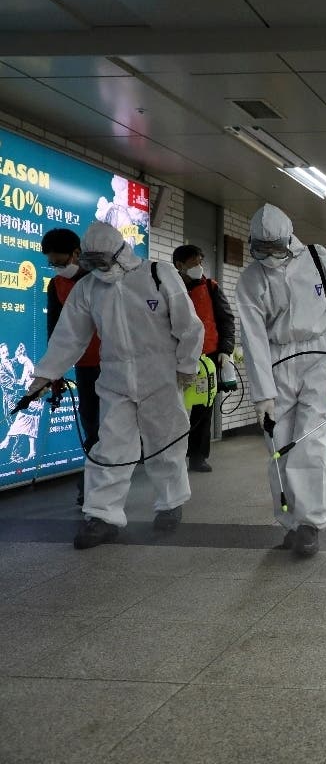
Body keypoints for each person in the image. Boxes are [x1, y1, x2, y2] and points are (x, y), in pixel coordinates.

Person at [24, 222, 203, 548]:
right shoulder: (88, 288)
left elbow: (189, 325)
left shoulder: (158, 274)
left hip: (161, 376)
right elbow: (68, 336)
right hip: (115, 379)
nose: (99, 268)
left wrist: (186, 366)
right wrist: (44, 377)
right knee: (109, 447)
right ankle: (102, 516)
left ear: (121, 253)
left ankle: (170, 503)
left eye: (103, 261)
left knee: (165, 442)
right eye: (92, 262)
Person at [236, 204, 326, 558]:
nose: (269, 256)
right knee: (278, 443)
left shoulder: (316, 257)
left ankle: (311, 523)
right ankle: (290, 523)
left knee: (312, 438)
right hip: (277, 356)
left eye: (275, 248)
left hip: (319, 354)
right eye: (261, 249)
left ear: (289, 239)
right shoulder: (250, 279)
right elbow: (253, 338)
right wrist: (263, 395)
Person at [42, 228, 101, 503]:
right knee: (91, 425)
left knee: (111, 427)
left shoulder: (101, 279)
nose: (57, 268)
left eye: (60, 262)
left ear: (77, 253)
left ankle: (97, 484)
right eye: (52, 263)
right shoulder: (56, 285)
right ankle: (92, 484)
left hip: (115, 363)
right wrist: (54, 373)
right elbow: (55, 331)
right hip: (85, 366)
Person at [173, 245, 236, 473]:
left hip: (206, 359)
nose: (199, 266)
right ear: (179, 265)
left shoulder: (211, 287)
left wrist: (225, 350)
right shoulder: (169, 288)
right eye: (194, 262)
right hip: (175, 359)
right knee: (173, 408)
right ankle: (172, 457)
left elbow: (226, 320)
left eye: (200, 261)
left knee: (203, 409)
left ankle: (198, 457)